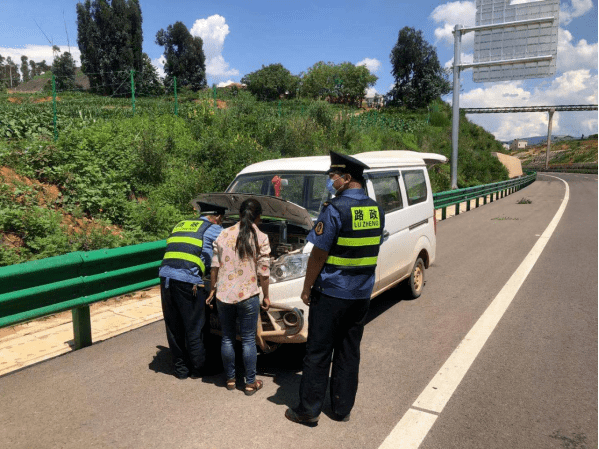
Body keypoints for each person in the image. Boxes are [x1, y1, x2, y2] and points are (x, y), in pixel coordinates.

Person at [285, 151, 385, 425]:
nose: (330, 181)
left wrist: (307, 288)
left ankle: (309, 411)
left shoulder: (335, 209)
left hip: (331, 293)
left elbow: (318, 254)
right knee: (348, 350)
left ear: (346, 178)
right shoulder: (376, 209)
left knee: (318, 352)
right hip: (361, 294)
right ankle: (341, 409)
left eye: (332, 177)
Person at [207, 198, 271, 395]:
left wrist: (212, 290)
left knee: (227, 337)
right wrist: (266, 296)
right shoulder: (261, 237)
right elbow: (264, 272)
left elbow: (214, 267)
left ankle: (231, 380)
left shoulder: (223, 234)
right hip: (248, 295)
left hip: (223, 295)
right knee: (249, 339)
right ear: (258, 217)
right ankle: (250, 383)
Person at [159, 202, 225, 379]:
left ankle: (180, 369)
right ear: (217, 217)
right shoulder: (214, 229)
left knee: (173, 325)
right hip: (187, 281)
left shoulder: (181, 224)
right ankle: (199, 369)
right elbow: (228, 250)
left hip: (165, 277)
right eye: (222, 220)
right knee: (195, 326)